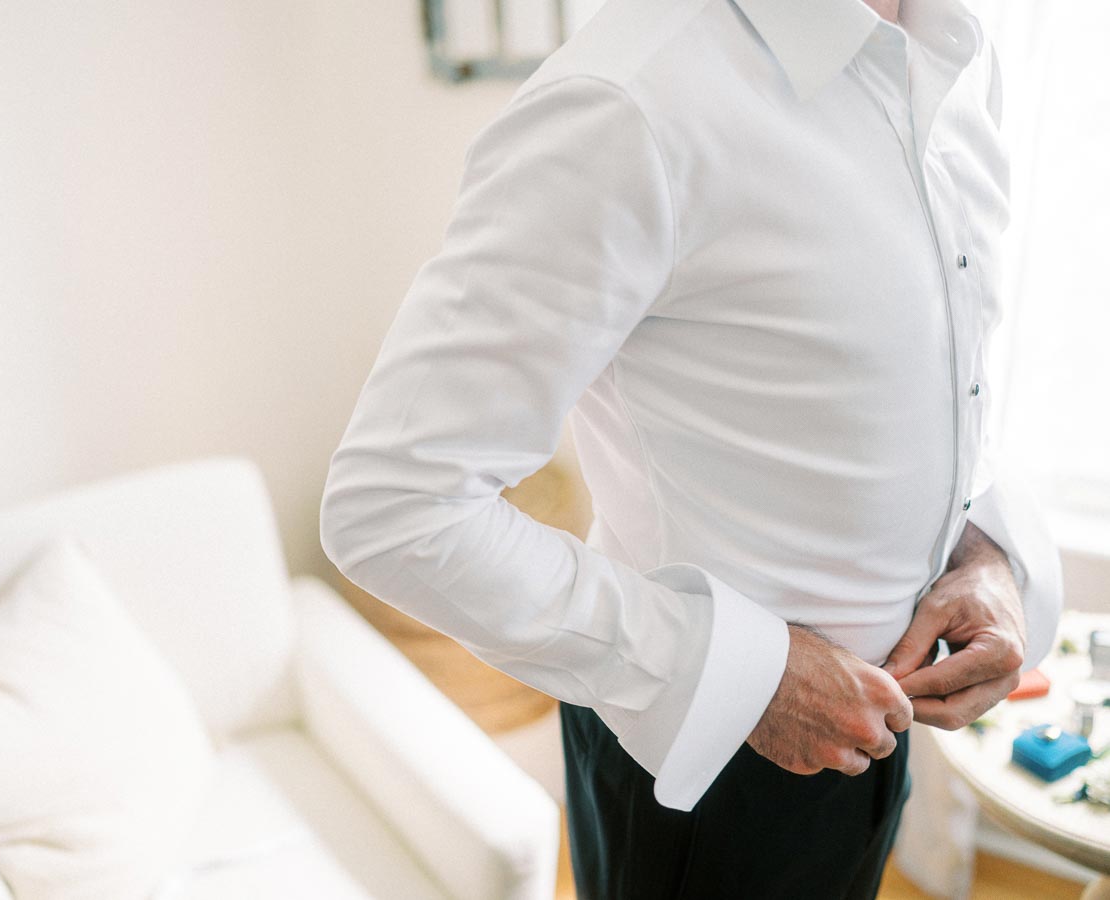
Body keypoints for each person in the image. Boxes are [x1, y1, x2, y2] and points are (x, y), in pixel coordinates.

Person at [319, 0, 1064, 896]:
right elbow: (392, 506)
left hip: (881, 734)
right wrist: (748, 681)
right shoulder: (629, 102)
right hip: (707, 778)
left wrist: (986, 555)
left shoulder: (957, 58)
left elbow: (940, 389)